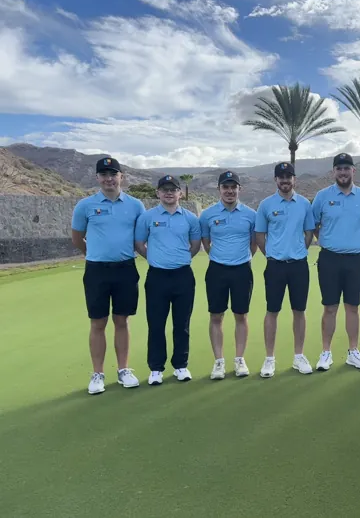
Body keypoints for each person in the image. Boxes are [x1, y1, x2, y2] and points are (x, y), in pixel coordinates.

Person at [71, 157, 146, 395]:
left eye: (113, 174)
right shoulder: (85, 205)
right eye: (103, 174)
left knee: (122, 321)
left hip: (125, 268)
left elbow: (141, 237)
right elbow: (77, 238)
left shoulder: (136, 205)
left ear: (121, 176)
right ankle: (98, 373)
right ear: (97, 178)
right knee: (98, 322)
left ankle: (124, 370)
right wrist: (93, 254)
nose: (108, 178)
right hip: (96, 270)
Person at [311, 152, 360, 372]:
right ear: (334, 172)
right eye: (339, 168)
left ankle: (353, 352)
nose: (343, 172)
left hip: (356, 259)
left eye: (347, 168)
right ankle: (326, 353)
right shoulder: (322, 196)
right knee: (330, 307)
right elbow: (315, 225)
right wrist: (329, 242)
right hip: (329, 258)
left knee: (352, 307)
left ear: (353, 171)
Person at [135, 175, 201, 386]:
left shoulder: (190, 218)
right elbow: (139, 243)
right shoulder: (148, 217)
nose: (169, 193)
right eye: (165, 189)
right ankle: (156, 368)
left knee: (181, 324)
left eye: (173, 189)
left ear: (180, 193)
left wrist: (179, 259)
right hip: (157, 276)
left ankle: (181, 365)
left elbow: (195, 245)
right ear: (158, 193)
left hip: (183, 275)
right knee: (156, 324)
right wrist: (155, 259)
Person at [255, 162, 316, 378]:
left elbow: (309, 232)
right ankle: (269, 358)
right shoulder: (266, 205)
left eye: (288, 176)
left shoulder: (304, 205)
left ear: (294, 179)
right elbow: (260, 236)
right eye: (281, 177)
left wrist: (298, 250)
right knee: (272, 311)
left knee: (299, 311)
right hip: (275, 266)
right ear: (275, 180)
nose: (284, 180)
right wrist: (272, 253)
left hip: (299, 265)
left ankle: (299, 356)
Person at [199, 171, 257, 380]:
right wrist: (221, 256)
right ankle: (219, 362)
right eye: (226, 187)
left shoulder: (251, 214)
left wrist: (241, 258)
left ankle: (239, 359)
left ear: (239, 189)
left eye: (233, 187)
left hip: (242, 270)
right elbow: (206, 242)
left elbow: (254, 243)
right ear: (219, 189)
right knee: (216, 316)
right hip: (217, 270)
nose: (230, 191)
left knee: (241, 315)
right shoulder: (207, 215)